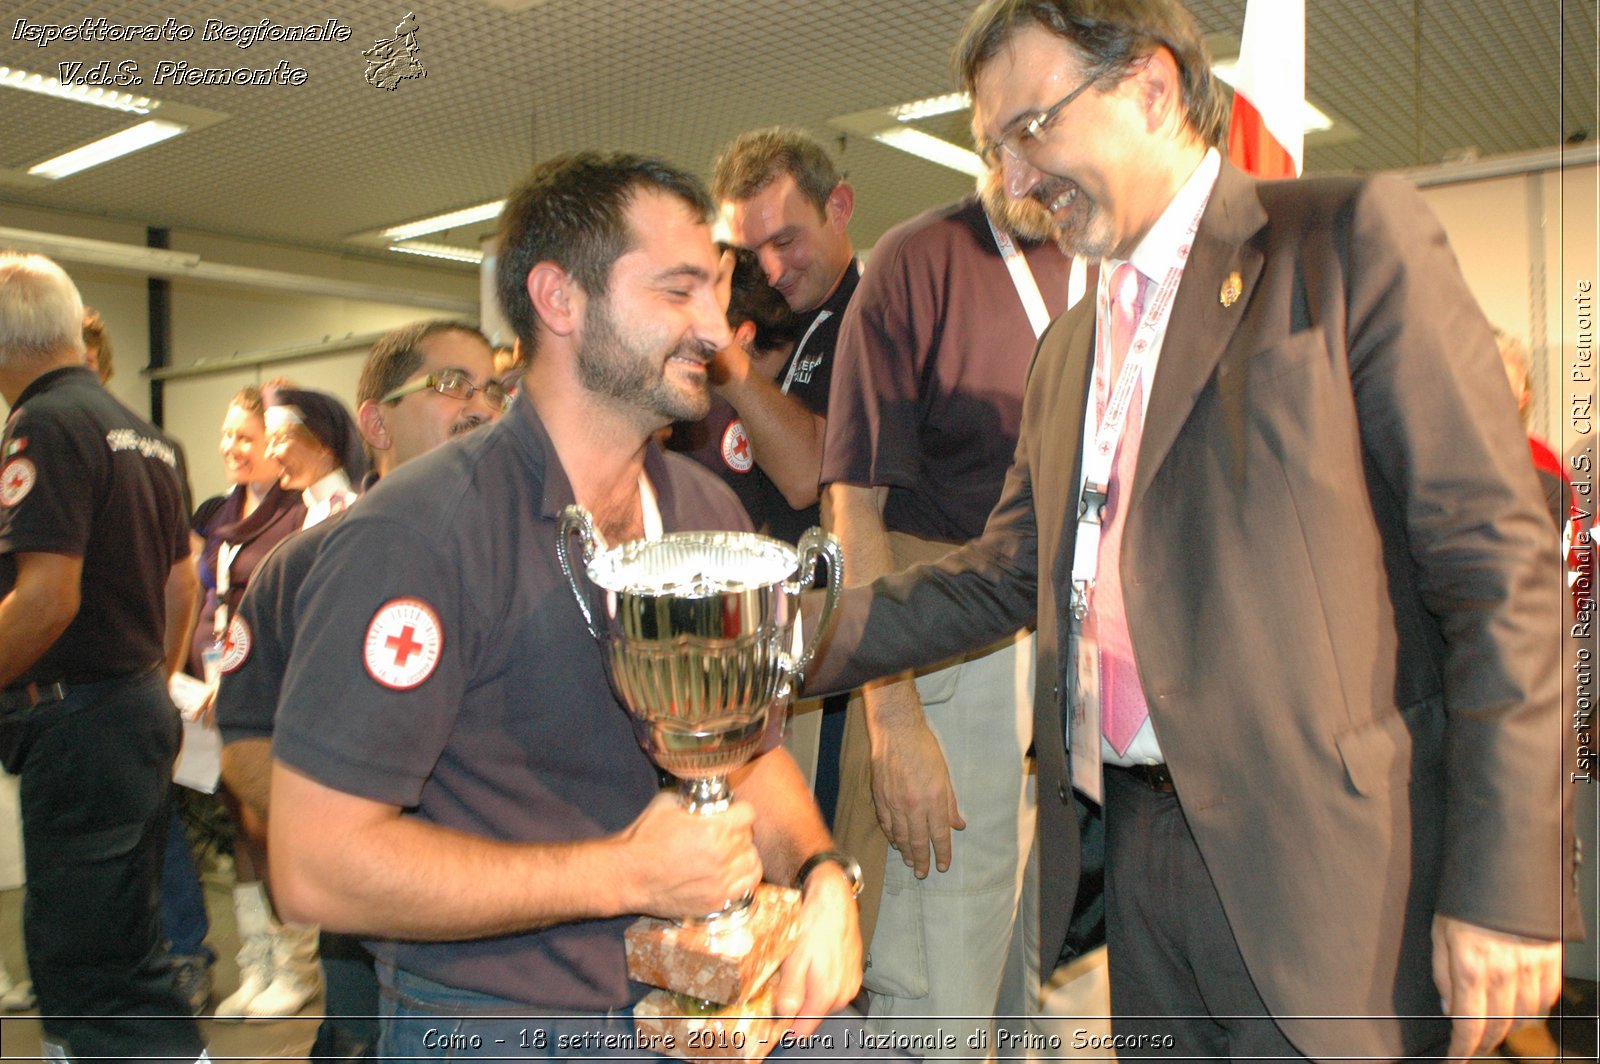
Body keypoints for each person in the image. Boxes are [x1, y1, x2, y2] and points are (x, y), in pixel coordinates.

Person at [804, 1, 1577, 1060]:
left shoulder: (1346, 245)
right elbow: (1001, 576)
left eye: (1029, 129)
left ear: (1153, 89)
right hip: (1139, 858)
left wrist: (1506, 879)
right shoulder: (1069, 351)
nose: (1013, 180)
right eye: (993, 150)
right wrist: (765, 643)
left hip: (1330, 874)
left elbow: (1499, 575)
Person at [265, 152, 893, 1060]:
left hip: (707, 998)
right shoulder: (418, 536)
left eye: (714, 292)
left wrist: (827, 877)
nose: (717, 329)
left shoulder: (701, 511)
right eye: (679, 292)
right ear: (560, 300)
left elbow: (748, 757)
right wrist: (620, 874)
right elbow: (315, 868)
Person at [821, 170, 1086, 1053]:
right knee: (938, 1000)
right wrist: (890, 718)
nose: (1016, 162)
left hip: (1088, 672)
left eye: (1035, 130)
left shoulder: (1116, 258)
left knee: (1038, 997)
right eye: (994, 133)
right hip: (953, 650)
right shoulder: (919, 262)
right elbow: (852, 505)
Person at [216, 320, 506, 1060]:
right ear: (375, 421)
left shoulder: (539, 558)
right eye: (450, 385)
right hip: (370, 936)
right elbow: (245, 749)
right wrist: (364, 840)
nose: (480, 405)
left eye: (492, 388)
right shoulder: (300, 570)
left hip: (518, 933)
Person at [0, 251, 206, 1063]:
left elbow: (48, 597)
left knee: (88, 966)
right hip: (127, 710)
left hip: (82, 719)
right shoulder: (145, 434)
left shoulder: (43, 424)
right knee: (123, 946)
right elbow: (181, 583)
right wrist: (145, 681)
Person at [711, 128, 862, 806]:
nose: (769, 269)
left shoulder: (871, 313)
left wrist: (727, 354)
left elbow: (809, 473)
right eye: (750, 253)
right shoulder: (788, 325)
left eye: (785, 240)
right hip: (770, 647)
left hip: (841, 642)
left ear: (839, 207)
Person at [263, 387, 366, 528]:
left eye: (280, 439)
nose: (268, 454)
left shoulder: (344, 511)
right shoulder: (311, 510)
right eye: (268, 442)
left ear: (322, 443)